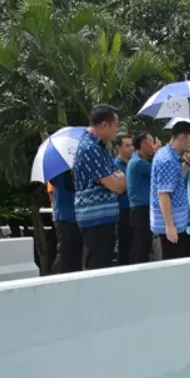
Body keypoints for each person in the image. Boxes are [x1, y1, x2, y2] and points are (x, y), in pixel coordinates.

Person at [73, 103, 126, 269]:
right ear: (104, 124)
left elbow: (121, 179)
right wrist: (118, 179)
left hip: (105, 217)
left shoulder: (101, 147)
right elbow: (116, 186)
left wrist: (118, 178)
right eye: (115, 125)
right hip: (95, 219)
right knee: (96, 267)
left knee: (105, 266)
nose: (116, 130)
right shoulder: (89, 148)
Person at [151, 119, 190, 260]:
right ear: (182, 137)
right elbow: (163, 194)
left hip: (176, 222)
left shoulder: (169, 155)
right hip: (172, 226)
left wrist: (188, 163)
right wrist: (170, 226)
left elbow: (175, 180)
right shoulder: (168, 160)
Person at [126, 132, 158, 264]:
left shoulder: (138, 161)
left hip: (142, 209)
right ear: (143, 144)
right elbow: (158, 171)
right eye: (151, 142)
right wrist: (157, 153)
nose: (154, 145)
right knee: (141, 247)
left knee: (143, 245)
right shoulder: (138, 163)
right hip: (141, 209)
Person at [49, 169, 81, 274]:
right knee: (64, 253)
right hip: (63, 217)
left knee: (76, 252)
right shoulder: (58, 173)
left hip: (77, 216)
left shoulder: (76, 173)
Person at [113, 132, 135, 265]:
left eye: (132, 145)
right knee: (125, 246)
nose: (131, 148)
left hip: (134, 208)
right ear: (118, 147)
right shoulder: (115, 164)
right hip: (123, 209)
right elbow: (122, 186)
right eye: (127, 146)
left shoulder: (134, 162)